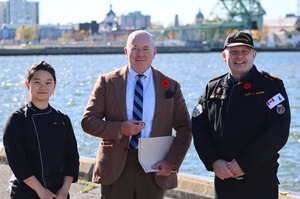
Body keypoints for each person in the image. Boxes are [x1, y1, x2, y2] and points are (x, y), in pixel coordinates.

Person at [81, 30, 192, 199]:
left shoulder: (170, 86)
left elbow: (185, 128)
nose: (141, 54)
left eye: (146, 48)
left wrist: (171, 161)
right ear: (126, 52)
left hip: (154, 166)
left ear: (154, 52)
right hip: (115, 166)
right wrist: (120, 128)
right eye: (135, 48)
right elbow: (88, 121)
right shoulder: (107, 82)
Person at [192, 31, 291, 199]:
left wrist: (244, 164)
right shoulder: (212, 88)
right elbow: (199, 128)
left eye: (244, 52)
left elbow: (278, 133)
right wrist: (214, 161)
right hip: (224, 181)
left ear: (254, 54)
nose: (239, 57)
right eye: (233, 52)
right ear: (224, 55)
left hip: (259, 183)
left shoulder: (270, 87)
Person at [3, 61, 80, 199]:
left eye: (48, 82)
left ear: (54, 86)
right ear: (28, 84)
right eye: (37, 82)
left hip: (58, 194)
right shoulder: (17, 120)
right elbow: (17, 161)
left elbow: (72, 157)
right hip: (26, 193)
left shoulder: (63, 120)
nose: (43, 87)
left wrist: (64, 190)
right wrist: (40, 190)